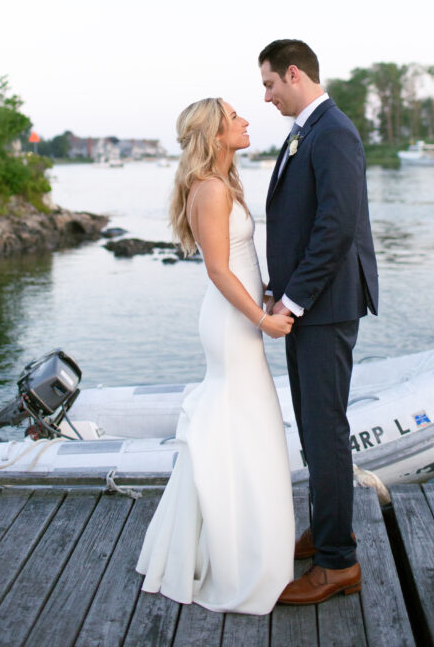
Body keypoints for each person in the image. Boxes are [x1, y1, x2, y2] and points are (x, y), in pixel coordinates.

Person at [136, 97, 295, 614]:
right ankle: (237, 555)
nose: (246, 120)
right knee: (243, 426)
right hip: (232, 325)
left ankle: (251, 539)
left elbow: (242, 263)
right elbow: (218, 270)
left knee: (248, 429)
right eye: (234, 118)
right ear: (215, 133)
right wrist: (262, 318)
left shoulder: (226, 185)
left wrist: (268, 292)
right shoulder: (208, 189)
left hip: (243, 313)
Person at [259, 39, 379, 605]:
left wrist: (294, 300)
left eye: (269, 84)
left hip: (325, 307)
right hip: (307, 304)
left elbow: (336, 225)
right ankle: (331, 529)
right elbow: (301, 221)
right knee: (312, 426)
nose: (266, 96)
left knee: (326, 431)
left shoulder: (334, 132)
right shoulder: (307, 129)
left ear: (294, 73)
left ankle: (338, 563)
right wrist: (277, 291)